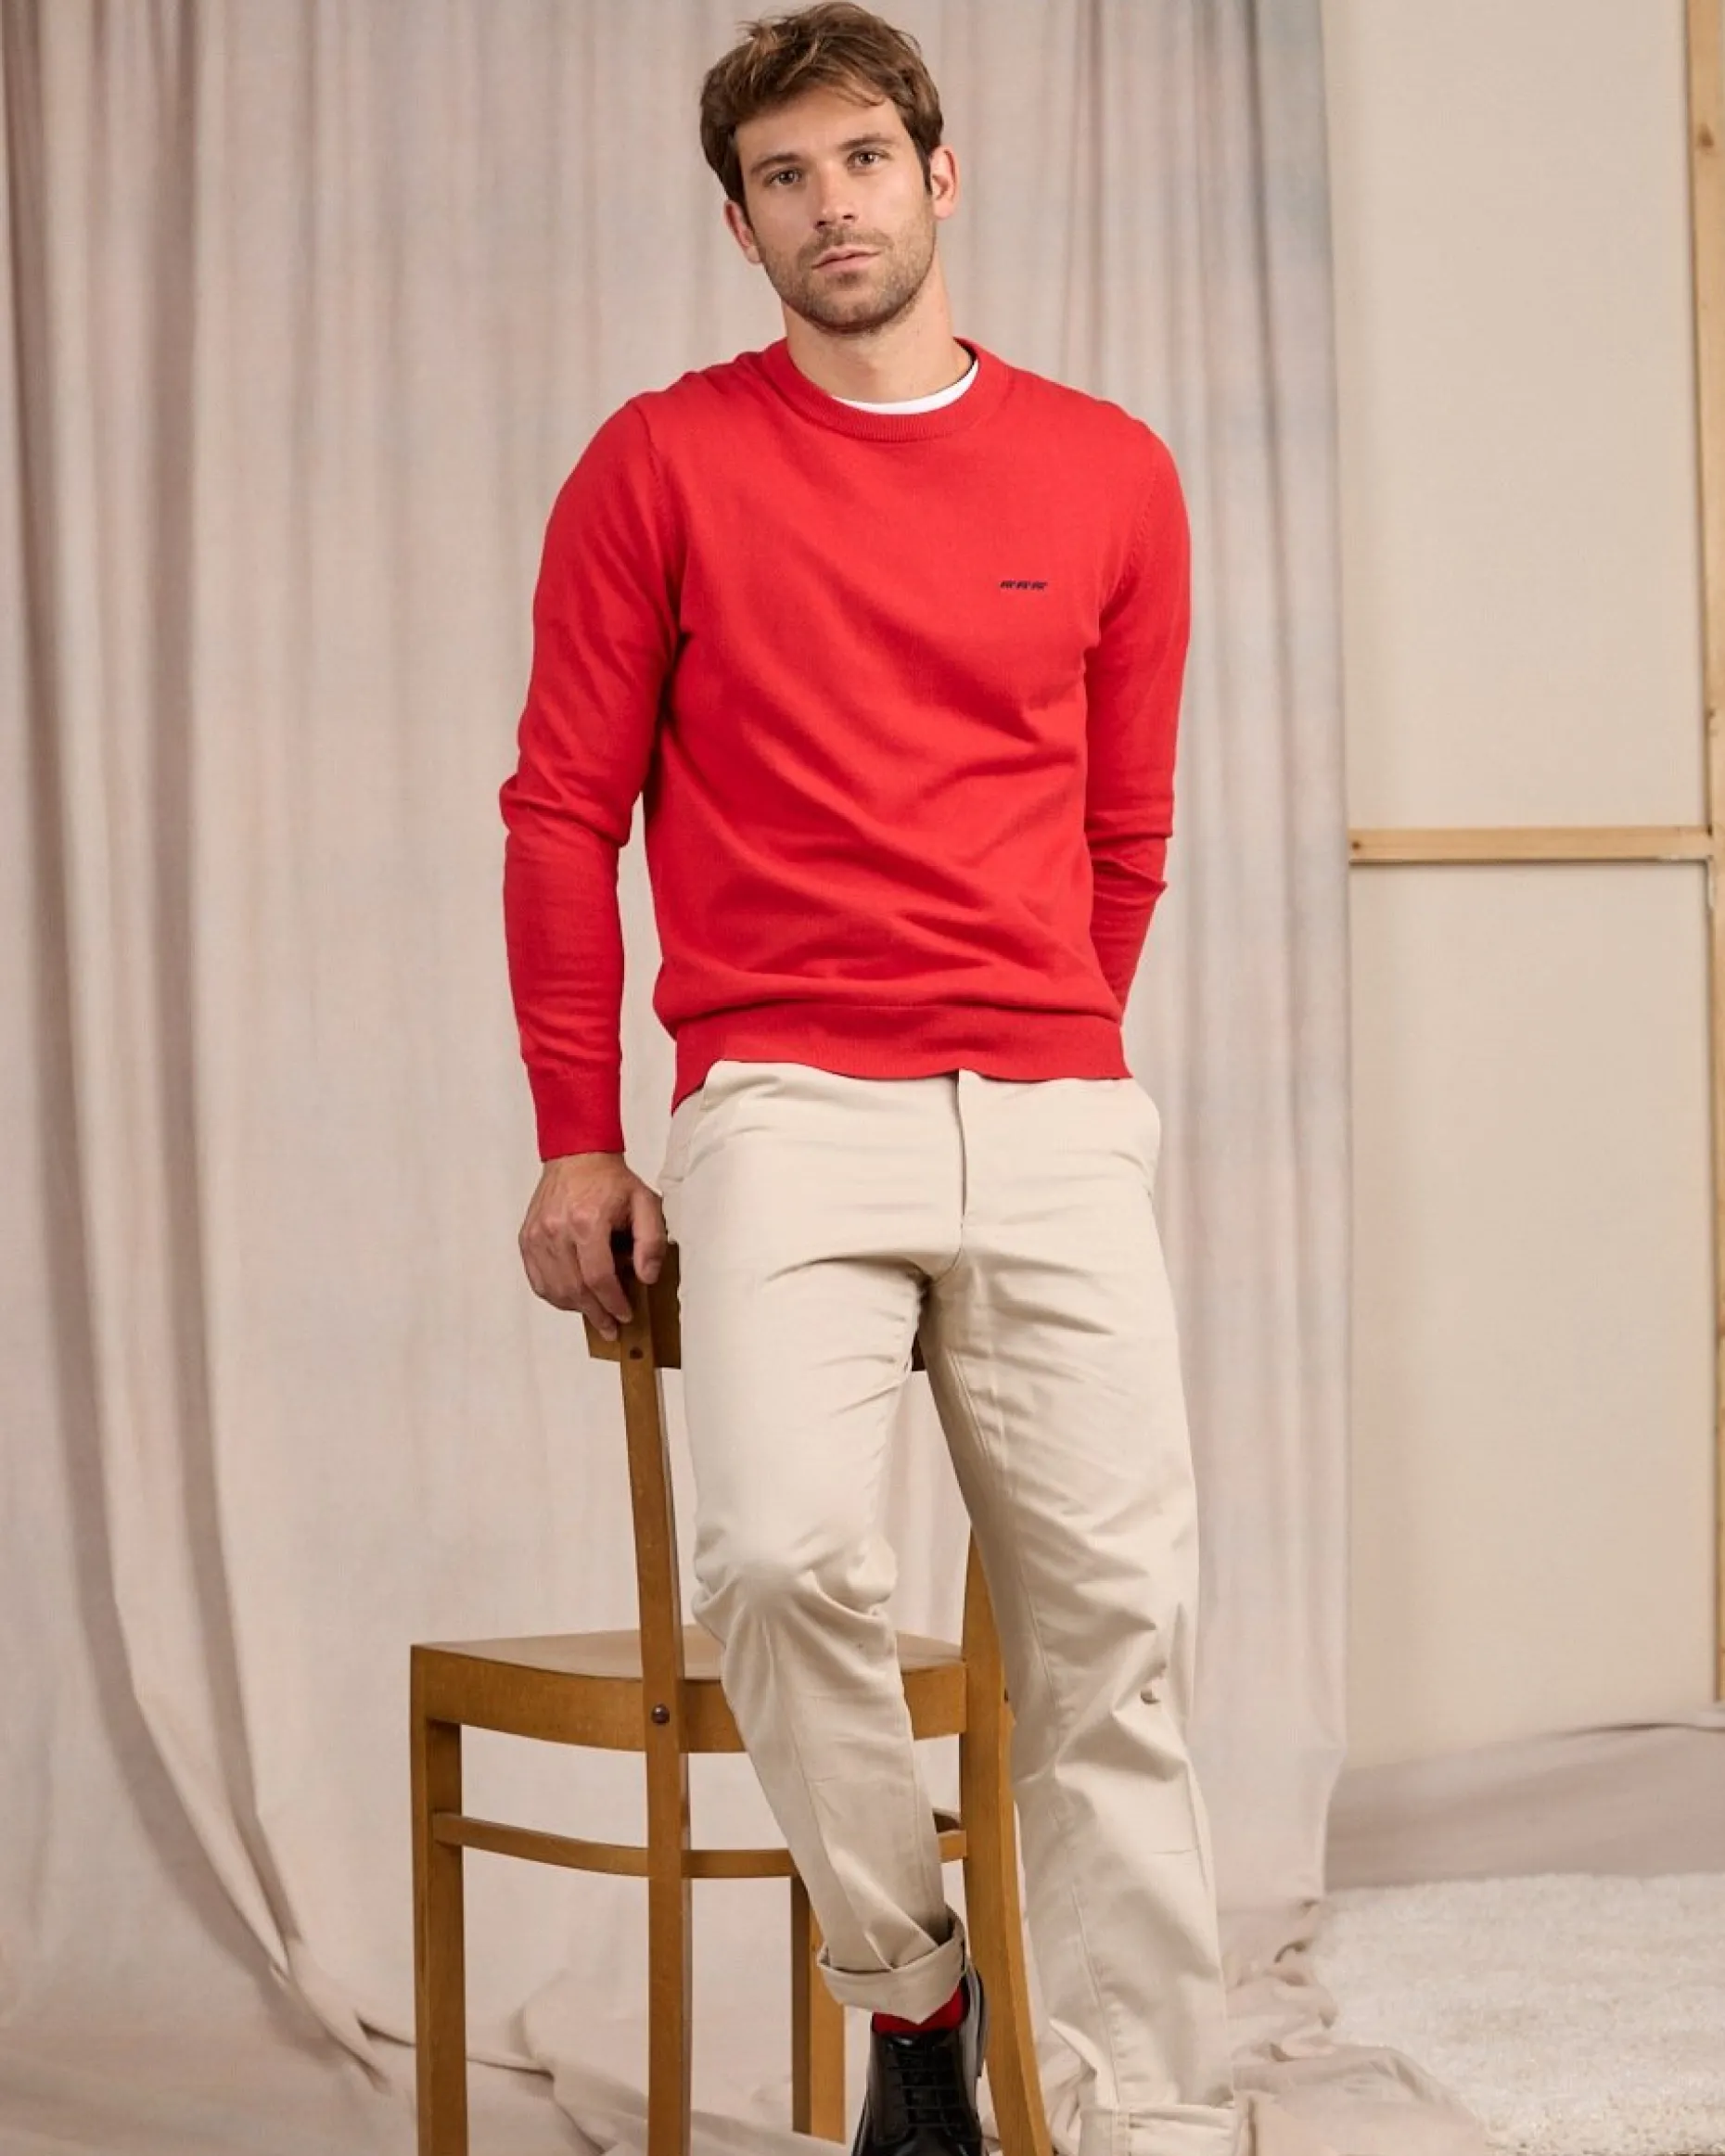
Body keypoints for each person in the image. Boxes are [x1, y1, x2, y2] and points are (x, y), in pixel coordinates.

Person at [500, 6, 1238, 2152]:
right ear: (740, 226)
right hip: (785, 1105)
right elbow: (563, 812)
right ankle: (914, 1993)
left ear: (940, 174)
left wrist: (1050, 1049)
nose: (834, 203)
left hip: (1053, 1115)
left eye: (863, 159)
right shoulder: (660, 463)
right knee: (779, 1560)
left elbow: (1125, 833)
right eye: (785, 177)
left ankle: (1143, 2118)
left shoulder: (1112, 472)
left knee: (1118, 1635)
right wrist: (576, 1134)